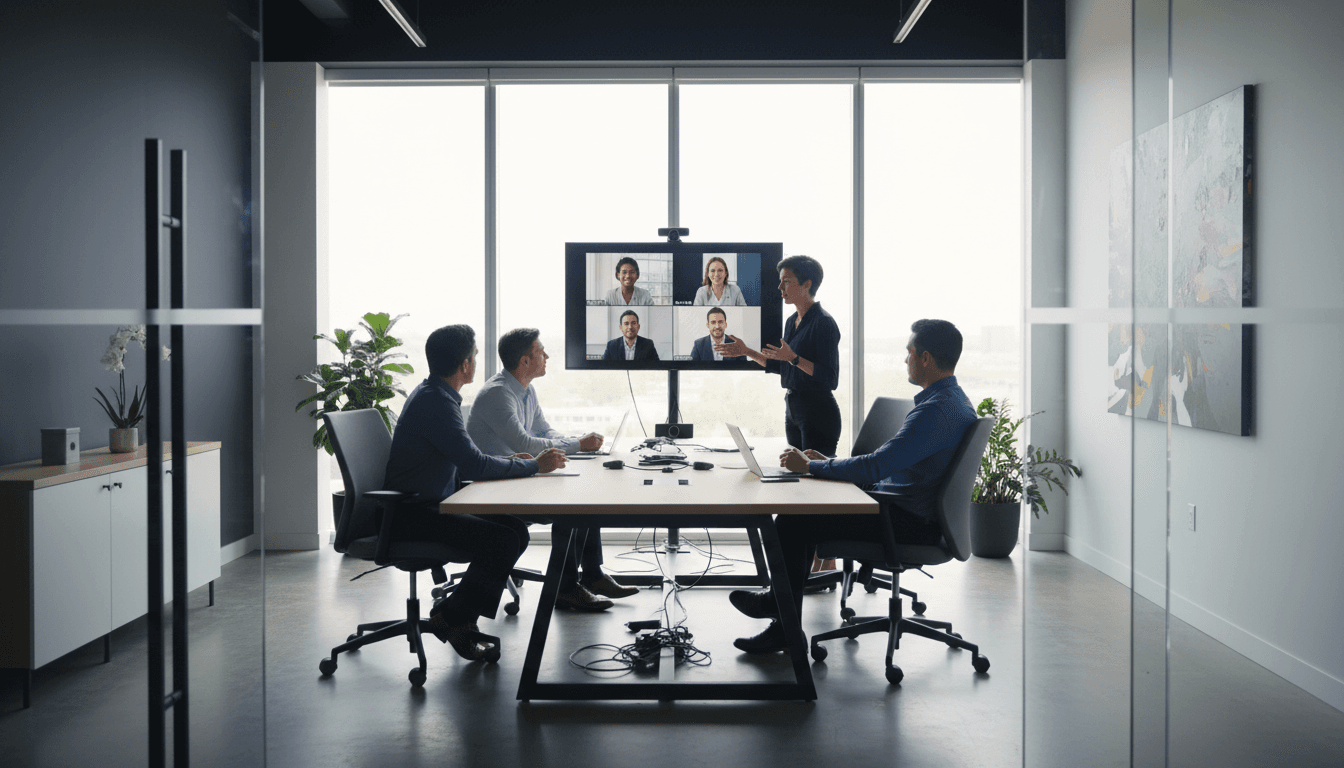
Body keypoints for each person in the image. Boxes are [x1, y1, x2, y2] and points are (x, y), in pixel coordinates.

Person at [726, 319, 977, 653]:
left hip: (905, 523)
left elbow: (876, 465)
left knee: (792, 520)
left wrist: (814, 466)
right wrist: (825, 464)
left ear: (926, 358)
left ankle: (781, 617)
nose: (907, 360)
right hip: (913, 514)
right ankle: (781, 613)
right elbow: (887, 464)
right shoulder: (954, 401)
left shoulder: (935, 411)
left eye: (910, 353)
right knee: (799, 514)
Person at [383, 324, 569, 661]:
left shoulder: (436, 395)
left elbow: (471, 459)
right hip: (415, 514)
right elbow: (474, 466)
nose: (476, 363)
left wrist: (510, 461)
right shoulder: (437, 403)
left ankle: (459, 614)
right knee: (503, 539)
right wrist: (531, 466)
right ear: (465, 365)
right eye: (474, 358)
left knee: (512, 529)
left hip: (434, 503)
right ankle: (453, 619)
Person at [467, 328, 640, 611]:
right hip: (493, 487)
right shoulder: (498, 394)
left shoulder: (525, 389)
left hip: (517, 475)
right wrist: (577, 445)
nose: (546, 356)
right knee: (571, 509)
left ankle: (593, 576)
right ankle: (565, 588)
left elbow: (543, 429)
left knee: (585, 498)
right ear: (524, 361)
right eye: (540, 352)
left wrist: (573, 442)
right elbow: (525, 443)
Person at [714, 254, 842, 576]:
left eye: (786, 281)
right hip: (794, 407)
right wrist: (747, 352)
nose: (780, 287)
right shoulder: (792, 321)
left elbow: (830, 378)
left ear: (806, 284)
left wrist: (794, 358)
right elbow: (779, 365)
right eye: (780, 281)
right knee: (799, 483)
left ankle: (825, 559)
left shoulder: (824, 323)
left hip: (818, 411)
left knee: (815, 485)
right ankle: (816, 559)